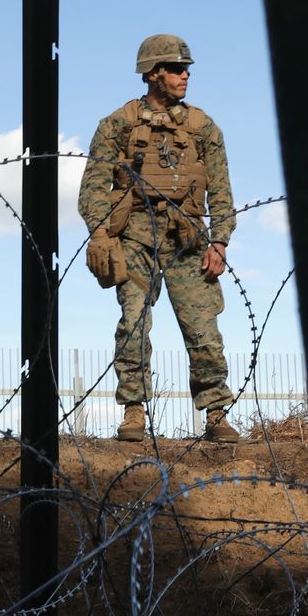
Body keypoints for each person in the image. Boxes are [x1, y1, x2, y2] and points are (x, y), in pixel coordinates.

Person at [77, 33, 240, 443]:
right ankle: (134, 411)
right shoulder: (118, 124)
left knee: (203, 329)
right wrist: (101, 236)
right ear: (153, 74)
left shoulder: (204, 127)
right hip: (133, 238)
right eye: (177, 69)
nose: (186, 76)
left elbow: (221, 189)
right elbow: (93, 187)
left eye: (186, 69)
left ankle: (216, 413)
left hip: (188, 239)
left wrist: (219, 241)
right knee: (133, 324)